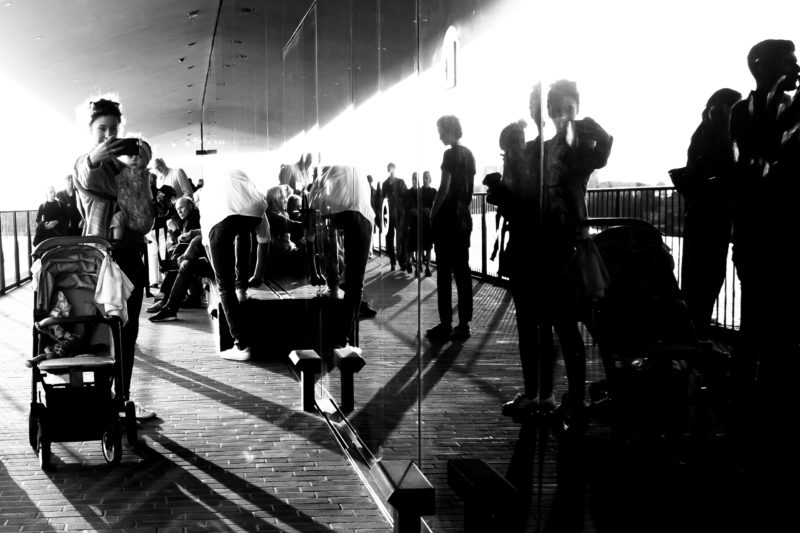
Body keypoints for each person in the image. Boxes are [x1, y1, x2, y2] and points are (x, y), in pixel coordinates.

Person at [495, 81, 613, 419]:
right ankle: (542, 395)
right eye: (555, 110)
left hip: (563, 250)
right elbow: (521, 189)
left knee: (563, 325)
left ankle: (570, 399)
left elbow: (601, 155)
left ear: (577, 109)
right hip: (533, 248)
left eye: (568, 109)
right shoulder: (538, 149)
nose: (561, 116)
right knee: (536, 325)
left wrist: (600, 134)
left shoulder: (579, 151)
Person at [72, 97, 155, 420]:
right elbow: (86, 174)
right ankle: (101, 399)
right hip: (99, 260)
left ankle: (121, 399)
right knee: (102, 332)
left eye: (114, 129)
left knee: (127, 333)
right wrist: (94, 157)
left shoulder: (127, 170)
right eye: (101, 129)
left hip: (128, 258)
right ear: (90, 131)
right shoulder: (85, 165)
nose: (108, 135)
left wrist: (139, 169)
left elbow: (143, 221)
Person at [729, 40, 800, 418]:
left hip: (783, 235)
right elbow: (755, 162)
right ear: (762, 67)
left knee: (779, 323)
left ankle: (769, 399)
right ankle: (749, 400)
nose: (796, 68)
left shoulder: (792, 107)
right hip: (757, 235)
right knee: (757, 321)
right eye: (789, 62)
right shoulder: (743, 112)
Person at [671, 88, 741, 339]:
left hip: (703, 218)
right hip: (711, 218)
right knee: (708, 278)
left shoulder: (705, 132)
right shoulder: (716, 135)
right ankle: (696, 334)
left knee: (699, 278)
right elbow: (724, 173)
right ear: (724, 108)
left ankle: (693, 334)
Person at [201, 168, 271, 361]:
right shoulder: (251, 198)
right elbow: (264, 239)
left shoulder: (209, 198)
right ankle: (241, 289)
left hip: (221, 221)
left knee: (225, 286)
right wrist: (258, 275)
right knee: (243, 231)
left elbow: (207, 243)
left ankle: (241, 345)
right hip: (252, 213)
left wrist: (220, 278)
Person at [309, 164, 375, 346]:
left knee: (327, 231)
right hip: (364, 216)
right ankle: (343, 336)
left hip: (336, 211)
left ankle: (333, 281)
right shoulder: (354, 174)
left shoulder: (322, 179)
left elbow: (312, 222)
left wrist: (314, 272)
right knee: (356, 284)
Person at [427, 116, 476, 342]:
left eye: (441, 131)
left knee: (444, 274)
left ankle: (445, 324)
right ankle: (464, 324)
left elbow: (443, 189)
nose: (439, 136)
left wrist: (432, 213)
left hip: (447, 221)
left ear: (449, 130)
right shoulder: (469, 154)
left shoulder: (449, 155)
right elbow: (468, 190)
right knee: (463, 273)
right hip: (464, 219)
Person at [381, 162, 409, 272]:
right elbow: (382, 200)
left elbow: (406, 197)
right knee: (389, 240)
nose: (390, 170)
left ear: (394, 169)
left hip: (399, 214)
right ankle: (393, 262)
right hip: (388, 216)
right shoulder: (385, 184)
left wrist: (404, 212)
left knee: (402, 238)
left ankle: (402, 261)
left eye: (391, 168)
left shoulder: (401, 182)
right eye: (388, 169)